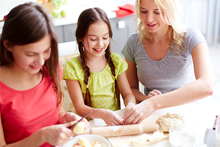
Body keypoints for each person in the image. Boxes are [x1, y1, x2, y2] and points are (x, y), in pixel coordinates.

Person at [0, 3, 88, 147]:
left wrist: (65, 118)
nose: (40, 62)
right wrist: (42, 136)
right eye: (31, 54)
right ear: (8, 45)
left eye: (46, 51)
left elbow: (58, 114)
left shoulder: (51, 68)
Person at [121, 0, 214, 124]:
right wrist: (146, 100)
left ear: (170, 10)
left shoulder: (191, 37)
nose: (148, 19)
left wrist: (154, 103)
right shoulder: (133, 43)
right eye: (143, 11)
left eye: (157, 12)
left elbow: (206, 86)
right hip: (152, 116)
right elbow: (131, 89)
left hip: (187, 113)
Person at [63, 7, 136, 126]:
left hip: (115, 122)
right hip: (90, 126)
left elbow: (127, 93)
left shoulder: (116, 61)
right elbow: (80, 107)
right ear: (80, 38)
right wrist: (101, 114)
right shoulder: (73, 68)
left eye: (105, 37)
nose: (100, 44)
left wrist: (130, 106)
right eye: (93, 39)